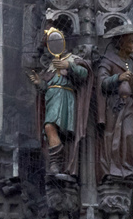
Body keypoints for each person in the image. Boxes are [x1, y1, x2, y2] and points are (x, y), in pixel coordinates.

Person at [28, 27, 92, 178]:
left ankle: (56, 162)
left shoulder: (72, 59)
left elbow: (84, 74)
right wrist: (39, 83)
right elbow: (46, 88)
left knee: (50, 126)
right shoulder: (51, 65)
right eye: (50, 44)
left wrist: (69, 66)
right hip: (51, 98)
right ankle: (57, 161)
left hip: (64, 97)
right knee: (51, 128)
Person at [96, 24, 133, 182]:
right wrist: (117, 78)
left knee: (128, 135)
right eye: (130, 41)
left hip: (128, 106)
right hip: (113, 106)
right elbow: (102, 82)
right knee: (113, 136)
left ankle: (127, 168)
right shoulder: (108, 60)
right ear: (121, 43)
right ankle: (112, 169)